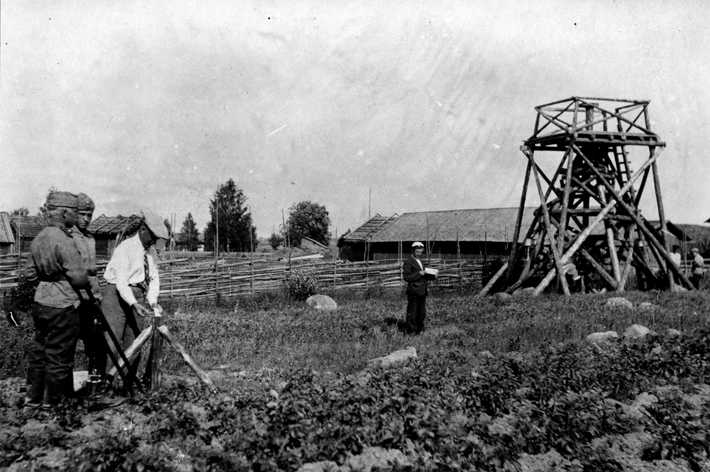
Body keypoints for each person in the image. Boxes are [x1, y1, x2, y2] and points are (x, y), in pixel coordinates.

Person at [24, 191, 91, 408]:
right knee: (59, 356)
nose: (75, 215)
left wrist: (48, 279)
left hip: (41, 300)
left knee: (39, 352)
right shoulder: (64, 240)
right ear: (64, 213)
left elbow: (30, 275)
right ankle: (54, 404)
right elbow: (80, 278)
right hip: (63, 304)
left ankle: (32, 400)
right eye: (73, 211)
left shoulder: (39, 238)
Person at [101, 212, 168, 381]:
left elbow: (153, 279)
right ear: (143, 229)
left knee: (134, 342)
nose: (153, 241)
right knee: (112, 342)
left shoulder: (150, 252)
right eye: (153, 236)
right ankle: (105, 386)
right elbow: (121, 283)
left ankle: (128, 385)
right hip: (116, 296)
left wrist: (152, 302)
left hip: (138, 296)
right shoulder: (126, 248)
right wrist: (132, 303)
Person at [72, 193, 105, 388]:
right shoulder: (69, 238)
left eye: (89, 215)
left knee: (97, 346)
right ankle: (66, 393)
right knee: (67, 348)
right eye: (83, 214)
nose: (86, 219)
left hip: (92, 300)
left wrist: (98, 297)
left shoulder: (90, 238)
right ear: (74, 214)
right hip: (74, 301)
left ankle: (94, 388)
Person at [402, 241, 431, 335]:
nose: (419, 253)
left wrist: (430, 275)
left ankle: (420, 330)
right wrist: (418, 274)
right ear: (413, 251)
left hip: (422, 290)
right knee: (412, 312)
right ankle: (410, 332)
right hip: (414, 291)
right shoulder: (408, 261)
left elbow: (423, 275)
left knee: (421, 312)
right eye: (417, 252)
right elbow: (407, 277)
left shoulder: (421, 261)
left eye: (420, 252)